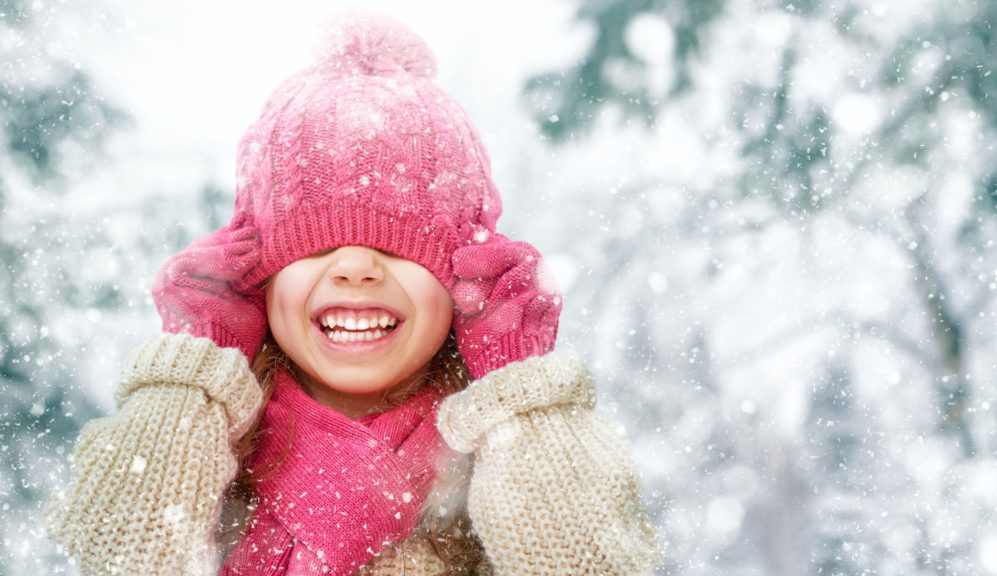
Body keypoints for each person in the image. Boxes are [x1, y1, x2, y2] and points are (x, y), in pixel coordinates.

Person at [44, 12, 660, 576]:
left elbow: (589, 562)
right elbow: (123, 554)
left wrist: (519, 384)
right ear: (258, 276)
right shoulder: (208, 442)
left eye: (400, 247)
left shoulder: (504, 447)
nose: (357, 267)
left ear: (462, 281)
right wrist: (195, 372)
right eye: (312, 246)